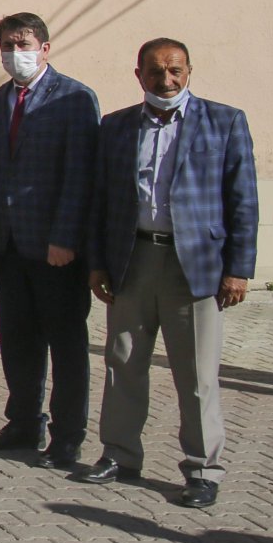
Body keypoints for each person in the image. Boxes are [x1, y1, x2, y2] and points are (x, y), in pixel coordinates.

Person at [75, 39, 257, 509]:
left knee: (196, 375)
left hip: (193, 265)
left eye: (175, 70)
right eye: (156, 72)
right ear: (139, 75)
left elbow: (243, 200)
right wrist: (97, 263)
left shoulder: (224, 121)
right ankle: (119, 454)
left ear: (189, 70)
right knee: (122, 363)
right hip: (132, 259)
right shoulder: (116, 127)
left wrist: (238, 270)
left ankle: (202, 469)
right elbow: (99, 199)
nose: (166, 80)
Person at [0, 11, 100, 467]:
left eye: (23, 44)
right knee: (18, 340)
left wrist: (65, 237)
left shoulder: (74, 98)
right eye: (7, 46)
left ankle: (67, 436)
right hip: (10, 244)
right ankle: (24, 422)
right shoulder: (0, 100)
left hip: (55, 247)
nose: (15, 53)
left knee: (65, 344)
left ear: (44, 48)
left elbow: (80, 174)